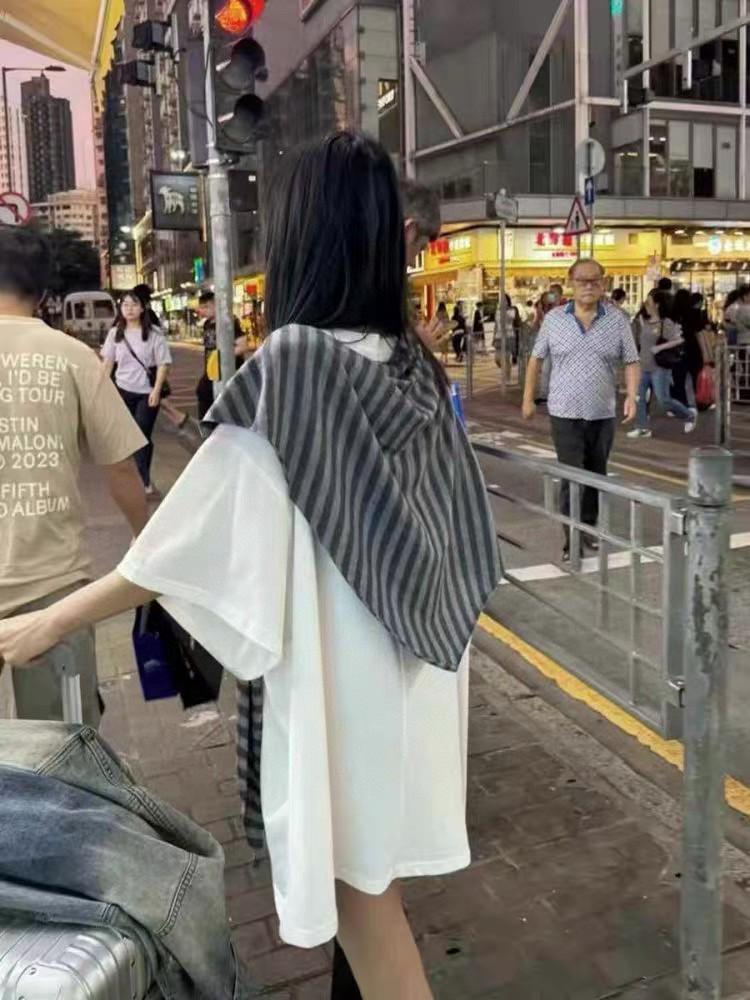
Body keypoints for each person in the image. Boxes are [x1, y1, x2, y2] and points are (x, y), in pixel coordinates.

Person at [0, 130, 501, 1000]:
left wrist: (49, 621)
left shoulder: (296, 363)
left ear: (303, 235)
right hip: (418, 668)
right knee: (374, 895)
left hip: (346, 679)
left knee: (363, 909)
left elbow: (193, 533)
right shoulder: (409, 361)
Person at [0, 227, 147, 726]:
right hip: (54, 585)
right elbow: (121, 466)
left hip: (49, 581)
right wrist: (143, 537)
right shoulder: (72, 356)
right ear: (44, 292)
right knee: (61, 743)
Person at [522, 258, 640, 561]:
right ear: (571, 283)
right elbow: (535, 359)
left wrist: (632, 396)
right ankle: (571, 540)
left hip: (602, 412)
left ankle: (588, 526)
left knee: (596, 475)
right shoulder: (554, 320)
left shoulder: (617, 320)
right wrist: (528, 399)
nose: (588, 286)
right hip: (564, 413)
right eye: (581, 281)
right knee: (572, 475)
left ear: (603, 284)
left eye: (594, 281)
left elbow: (631, 360)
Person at [101, 291, 172, 497]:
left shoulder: (154, 333)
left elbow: (163, 364)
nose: (129, 309)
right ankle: (140, 478)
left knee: (141, 436)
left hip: (147, 393)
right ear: (121, 309)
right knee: (132, 437)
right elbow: (107, 364)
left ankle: (144, 481)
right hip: (123, 391)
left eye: (134, 305)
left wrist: (156, 390)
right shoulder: (115, 333)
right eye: (125, 305)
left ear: (142, 308)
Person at [627, 289, 697, 439]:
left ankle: (688, 415)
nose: (646, 304)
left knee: (663, 401)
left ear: (657, 305)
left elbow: (679, 340)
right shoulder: (643, 321)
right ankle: (642, 427)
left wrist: (660, 347)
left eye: (649, 302)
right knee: (639, 397)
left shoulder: (666, 323)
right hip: (643, 366)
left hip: (659, 368)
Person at [195, 291, 247, 420]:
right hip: (212, 370)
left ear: (215, 305)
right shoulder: (207, 324)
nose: (203, 311)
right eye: (201, 307)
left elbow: (242, 346)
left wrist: (221, 358)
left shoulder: (228, 321)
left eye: (206, 307)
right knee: (203, 393)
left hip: (228, 370)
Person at [671, 288, 712, 409]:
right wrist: (705, 351)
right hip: (692, 347)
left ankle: (679, 403)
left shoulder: (672, 314)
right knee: (696, 375)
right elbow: (699, 333)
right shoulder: (694, 313)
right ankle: (700, 401)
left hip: (676, 348)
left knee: (678, 377)